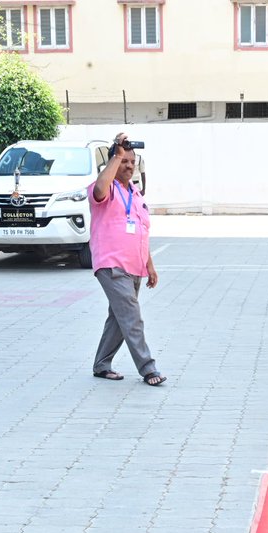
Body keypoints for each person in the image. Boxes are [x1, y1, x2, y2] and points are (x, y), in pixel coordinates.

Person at [89, 132, 165, 386]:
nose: (129, 165)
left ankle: (102, 364)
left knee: (119, 318)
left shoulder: (137, 195)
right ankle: (148, 368)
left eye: (132, 161)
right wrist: (117, 154)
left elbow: (142, 232)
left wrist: (150, 266)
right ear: (112, 163)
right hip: (111, 265)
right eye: (123, 161)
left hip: (134, 268)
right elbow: (99, 189)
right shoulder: (105, 188)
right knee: (131, 316)